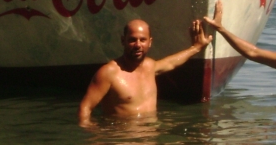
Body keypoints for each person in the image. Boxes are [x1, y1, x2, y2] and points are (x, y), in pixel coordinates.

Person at [78, 18, 212, 126]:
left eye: (142, 40)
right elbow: (85, 108)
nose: (138, 45)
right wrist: (95, 138)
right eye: (132, 40)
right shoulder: (109, 73)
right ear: (122, 41)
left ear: (150, 42)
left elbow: (170, 63)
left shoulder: (150, 66)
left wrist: (196, 48)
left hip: (150, 143)